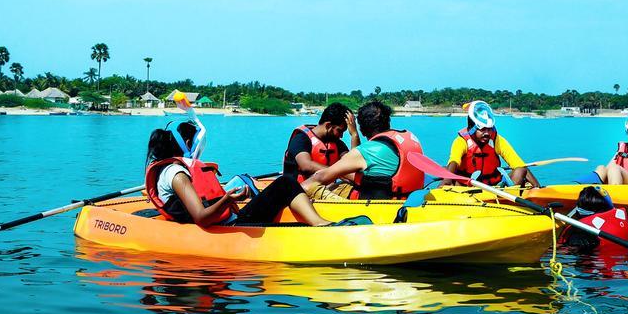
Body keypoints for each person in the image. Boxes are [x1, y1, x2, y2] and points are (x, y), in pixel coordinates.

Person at [144, 129, 334, 227]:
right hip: (231, 226)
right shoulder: (176, 174)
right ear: (186, 143)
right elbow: (201, 218)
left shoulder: (169, 170)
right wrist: (227, 200)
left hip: (229, 220)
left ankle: (313, 220)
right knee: (286, 183)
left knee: (284, 184)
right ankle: (319, 224)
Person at [304, 100, 426, 200]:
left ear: (362, 129)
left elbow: (321, 177)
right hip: (408, 199)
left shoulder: (367, 151)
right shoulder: (409, 138)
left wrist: (301, 188)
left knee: (312, 187)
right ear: (387, 122)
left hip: (376, 204)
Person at [446, 100, 540, 188]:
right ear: (471, 128)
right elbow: (454, 161)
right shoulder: (461, 141)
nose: (487, 133)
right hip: (467, 187)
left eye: (489, 129)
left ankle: (507, 200)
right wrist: (446, 181)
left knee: (520, 171)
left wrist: (538, 187)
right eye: (482, 129)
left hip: (495, 187)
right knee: (450, 173)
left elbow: (518, 163)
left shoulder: (497, 140)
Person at [282, 102, 360, 182]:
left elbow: (353, 164)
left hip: (325, 189)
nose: (341, 136)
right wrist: (341, 174)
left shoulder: (337, 143)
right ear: (328, 126)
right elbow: (306, 166)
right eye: (339, 131)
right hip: (298, 190)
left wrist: (354, 135)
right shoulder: (301, 139)